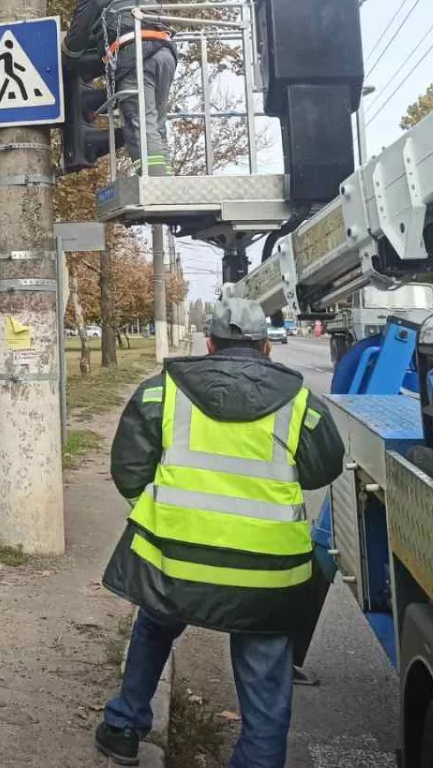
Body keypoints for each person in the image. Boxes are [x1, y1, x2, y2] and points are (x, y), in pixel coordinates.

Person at [95, 297, 345, 768]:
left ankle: (124, 728)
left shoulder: (161, 391)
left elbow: (128, 467)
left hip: (175, 560)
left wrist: (164, 514)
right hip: (267, 578)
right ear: (266, 347)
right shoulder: (301, 403)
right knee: (266, 677)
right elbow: (321, 469)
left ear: (209, 343)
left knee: (155, 623)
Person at [65, 0, 176, 176]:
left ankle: (153, 182)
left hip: (135, 54)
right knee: (156, 123)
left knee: (140, 122)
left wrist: (67, 63)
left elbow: (75, 42)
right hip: (165, 53)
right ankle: (166, 179)